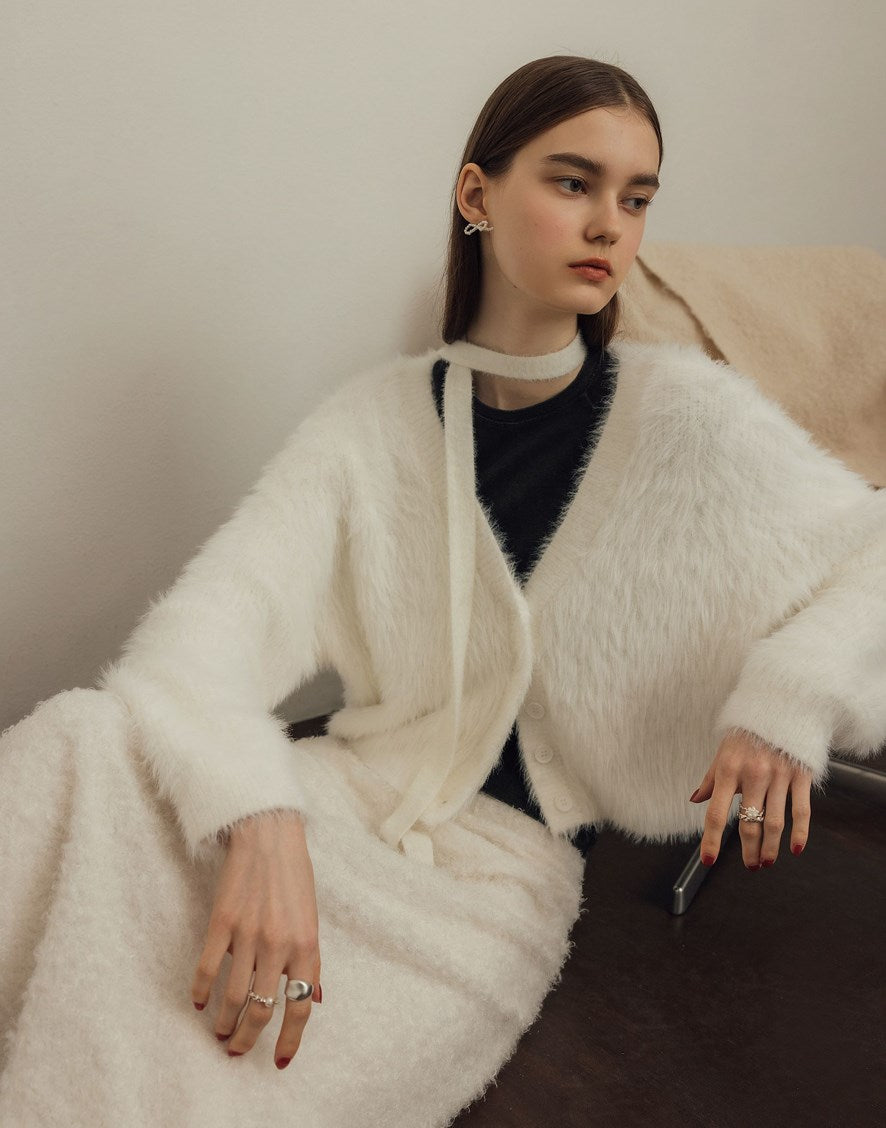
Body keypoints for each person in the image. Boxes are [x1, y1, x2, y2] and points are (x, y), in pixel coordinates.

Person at [1, 54, 885, 1128]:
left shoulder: (690, 418)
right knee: (82, 736)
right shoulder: (368, 427)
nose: (609, 225)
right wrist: (260, 818)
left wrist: (788, 697)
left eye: (636, 198)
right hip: (325, 798)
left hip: (479, 888)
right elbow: (199, 636)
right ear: (478, 194)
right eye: (573, 182)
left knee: (174, 1080)